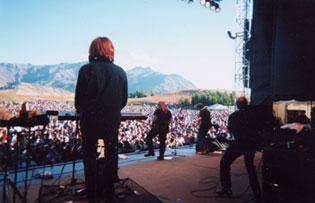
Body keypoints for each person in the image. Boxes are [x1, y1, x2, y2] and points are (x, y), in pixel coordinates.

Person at [75, 37, 128, 203]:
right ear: (110, 50)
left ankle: (92, 193)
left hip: (90, 120)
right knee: (112, 154)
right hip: (111, 120)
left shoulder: (86, 70)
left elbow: (78, 101)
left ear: (93, 50)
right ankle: (109, 192)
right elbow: (123, 101)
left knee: (90, 155)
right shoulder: (120, 72)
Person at [217, 97, 261, 201]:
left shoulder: (233, 116)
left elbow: (232, 131)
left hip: (239, 144)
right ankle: (257, 193)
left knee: (225, 162)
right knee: (250, 167)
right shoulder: (254, 115)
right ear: (247, 104)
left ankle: (226, 188)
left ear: (237, 105)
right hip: (251, 144)